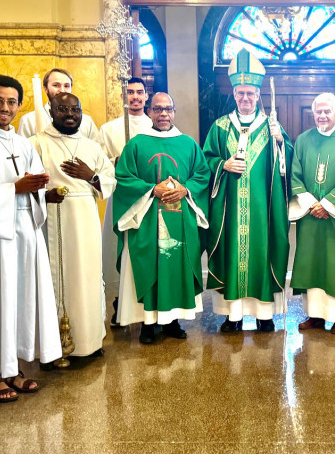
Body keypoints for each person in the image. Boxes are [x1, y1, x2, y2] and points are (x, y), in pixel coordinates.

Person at [0, 75, 62, 403]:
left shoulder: (23, 144)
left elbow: (32, 186)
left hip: (25, 233)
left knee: (21, 299)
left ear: (20, 105)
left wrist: (40, 189)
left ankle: (15, 369)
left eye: (11, 102)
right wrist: (15, 188)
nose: (5, 108)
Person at [203, 49, 293, 333]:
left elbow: (287, 165)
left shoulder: (271, 126)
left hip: (262, 209)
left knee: (262, 252)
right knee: (233, 254)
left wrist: (281, 143)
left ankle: (265, 315)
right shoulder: (219, 127)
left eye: (250, 94)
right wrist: (223, 165)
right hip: (229, 209)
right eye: (240, 93)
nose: (245, 99)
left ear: (258, 95)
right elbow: (205, 162)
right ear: (234, 94)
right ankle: (234, 317)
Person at [112, 92, 210, 344]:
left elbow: (202, 174)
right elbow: (123, 177)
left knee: (175, 265)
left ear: (174, 112)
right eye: (157, 109)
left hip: (180, 217)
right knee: (151, 264)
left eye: (168, 109)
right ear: (150, 112)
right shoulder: (136, 144)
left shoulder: (188, 144)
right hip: (147, 219)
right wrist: (150, 189)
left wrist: (186, 189)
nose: (163, 114)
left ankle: (172, 320)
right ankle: (148, 323)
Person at [30, 92, 116, 359]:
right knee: (54, 281)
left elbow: (109, 180)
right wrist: (45, 196)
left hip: (87, 217)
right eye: (62, 109)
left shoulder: (92, 147)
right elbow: (26, 183)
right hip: (52, 218)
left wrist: (90, 177)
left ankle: (89, 342)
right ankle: (54, 347)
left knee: (88, 278)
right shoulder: (36, 144)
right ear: (51, 112)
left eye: (75, 110)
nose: (69, 115)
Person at [291, 93, 335, 335]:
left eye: (327, 111)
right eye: (318, 111)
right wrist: (312, 204)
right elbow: (295, 174)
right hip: (311, 215)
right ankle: (315, 315)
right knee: (312, 262)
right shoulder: (303, 140)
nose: (322, 115)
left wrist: (328, 205)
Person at [99, 77, 153, 328]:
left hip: (150, 200)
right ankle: (122, 300)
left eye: (139, 92)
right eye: (130, 92)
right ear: (124, 96)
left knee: (148, 251)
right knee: (121, 250)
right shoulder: (109, 129)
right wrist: (116, 161)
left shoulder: (157, 125)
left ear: (146, 96)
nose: (135, 97)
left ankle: (150, 300)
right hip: (122, 197)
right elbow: (100, 163)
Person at [17, 67, 101, 142]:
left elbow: (98, 152)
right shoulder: (29, 120)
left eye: (66, 86)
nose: (62, 90)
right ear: (45, 89)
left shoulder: (86, 122)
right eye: (56, 85)